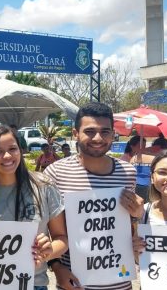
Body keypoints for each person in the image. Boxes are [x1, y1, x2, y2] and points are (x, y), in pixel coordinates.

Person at [43, 102, 144, 290]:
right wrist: (56, 268)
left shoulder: (127, 172)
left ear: (113, 134)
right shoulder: (55, 173)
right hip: (74, 284)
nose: (98, 138)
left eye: (105, 132)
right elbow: (50, 232)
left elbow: (129, 227)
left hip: (120, 283)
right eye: (89, 131)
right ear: (75, 134)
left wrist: (138, 214)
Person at [0, 125, 68, 290]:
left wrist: (48, 250)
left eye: (13, 148)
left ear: (20, 150)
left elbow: (61, 238)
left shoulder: (43, 185)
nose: (7, 156)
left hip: (33, 283)